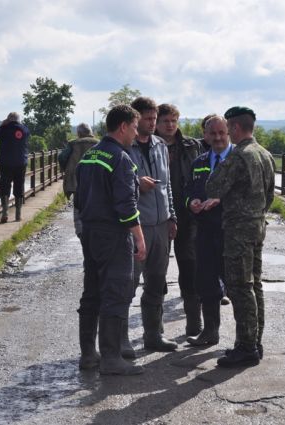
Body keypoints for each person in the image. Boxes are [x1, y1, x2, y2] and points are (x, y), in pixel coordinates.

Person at [74, 104, 146, 375]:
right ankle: (112, 358)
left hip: (90, 232)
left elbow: (79, 199)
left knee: (92, 292)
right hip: (114, 234)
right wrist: (140, 239)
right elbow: (126, 206)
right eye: (135, 128)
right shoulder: (121, 158)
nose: (136, 134)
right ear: (123, 126)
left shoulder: (90, 155)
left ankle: (88, 355)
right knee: (115, 293)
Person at [204, 106, 275, 368]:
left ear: (234, 127)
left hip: (238, 231)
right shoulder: (264, 154)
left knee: (239, 287)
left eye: (227, 128)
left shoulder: (239, 155)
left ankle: (246, 347)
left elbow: (213, 186)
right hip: (257, 226)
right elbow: (270, 195)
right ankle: (254, 341)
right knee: (254, 285)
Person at [128, 97, 178, 352]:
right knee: (128, 283)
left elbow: (167, 186)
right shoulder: (125, 147)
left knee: (157, 283)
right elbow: (115, 186)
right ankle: (120, 342)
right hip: (136, 226)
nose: (152, 123)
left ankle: (154, 335)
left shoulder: (160, 146)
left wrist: (172, 216)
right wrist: (137, 184)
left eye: (154, 118)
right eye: (147, 118)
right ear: (136, 119)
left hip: (160, 225)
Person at [154, 103, 204, 337]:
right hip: (159, 216)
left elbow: (203, 175)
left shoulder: (192, 146)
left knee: (190, 268)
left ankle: (194, 323)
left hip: (188, 215)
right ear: (157, 123)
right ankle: (155, 330)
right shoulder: (147, 146)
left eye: (174, 121)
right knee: (156, 272)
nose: (170, 125)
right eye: (165, 121)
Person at [185, 115, 233, 346]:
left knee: (237, 285)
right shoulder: (199, 161)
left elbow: (250, 195)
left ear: (229, 133)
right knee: (206, 283)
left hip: (231, 232)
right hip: (204, 231)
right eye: (212, 133)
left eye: (222, 132)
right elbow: (188, 189)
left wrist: (221, 200)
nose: (218, 137)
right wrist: (191, 202)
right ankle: (210, 332)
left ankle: (246, 340)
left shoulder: (239, 159)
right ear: (205, 135)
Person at [0, 112, 29, 223]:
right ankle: (18, 215)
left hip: (5, 163)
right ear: (18, 119)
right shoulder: (24, 129)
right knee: (19, 186)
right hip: (20, 162)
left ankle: (5, 213)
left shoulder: (3, 129)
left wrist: (2, 125)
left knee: (4, 186)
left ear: (8, 119)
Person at [64, 123, 98, 238]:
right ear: (90, 132)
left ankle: (80, 231)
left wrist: (66, 169)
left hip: (76, 180)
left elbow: (62, 157)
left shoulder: (73, 144)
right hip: (95, 181)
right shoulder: (99, 143)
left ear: (79, 133)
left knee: (78, 206)